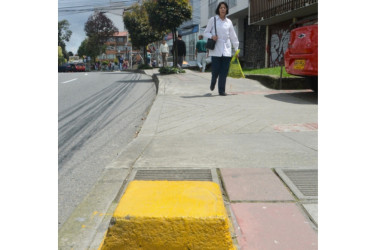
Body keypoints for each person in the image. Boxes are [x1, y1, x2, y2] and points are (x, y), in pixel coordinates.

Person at [204, 1, 239, 96]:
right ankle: (213, 81)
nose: (223, 9)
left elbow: (233, 36)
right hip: (216, 50)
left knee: (224, 71)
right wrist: (212, 36)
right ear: (218, 10)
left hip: (226, 50)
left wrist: (236, 49)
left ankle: (221, 90)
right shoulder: (213, 19)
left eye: (224, 7)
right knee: (215, 70)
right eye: (221, 7)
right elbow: (206, 32)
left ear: (227, 9)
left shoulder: (229, 22)